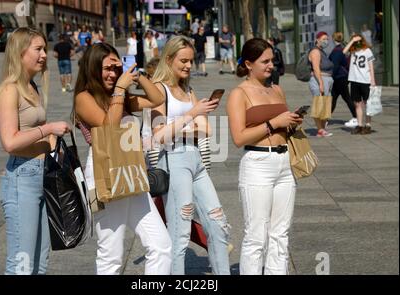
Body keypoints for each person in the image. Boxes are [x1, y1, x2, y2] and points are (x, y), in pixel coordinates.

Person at [72, 42, 171, 275]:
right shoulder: (84, 98)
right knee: (111, 255)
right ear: (93, 68)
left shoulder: (122, 97)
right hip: (103, 172)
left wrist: (139, 75)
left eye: (116, 68)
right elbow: (109, 126)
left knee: (161, 245)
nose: (113, 74)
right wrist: (119, 90)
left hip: (131, 170)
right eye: (107, 68)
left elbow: (156, 99)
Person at [151, 36, 230, 275]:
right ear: (168, 59)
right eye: (183, 60)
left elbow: (206, 129)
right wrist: (192, 114)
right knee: (180, 232)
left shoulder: (188, 89)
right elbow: (159, 136)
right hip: (174, 161)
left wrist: (180, 124)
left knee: (218, 225)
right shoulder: (158, 90)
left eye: (191, 61)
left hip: (196, 161)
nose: (188, 66)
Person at [0, 27, 71, 274]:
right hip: (22, 180)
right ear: (20, 51)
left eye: (44, 50)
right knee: (22, 263)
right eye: (38, 49)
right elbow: (10, 142)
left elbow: (36, 130)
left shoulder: (33, 87)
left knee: (40, 262)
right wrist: (48, 127)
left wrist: (53, 143)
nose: (44, 55)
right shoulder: (10, 90)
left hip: (42, 175)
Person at [227, 38, 303, 275]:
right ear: (249, 64)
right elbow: (239, 138)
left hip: (284, 162)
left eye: (273, 60)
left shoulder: (277, 89)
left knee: (280, 233)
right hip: (258, 164)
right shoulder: (239, 94)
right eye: (265, 61)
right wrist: (273, 123)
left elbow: (283, 124)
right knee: (256, 235)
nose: (271, 65)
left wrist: (291, 122)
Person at [343, 34, 377, 135]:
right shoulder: (352, 51)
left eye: (359, 41)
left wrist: (373, 81)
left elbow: (371, 67)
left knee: (367, 104)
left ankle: (368, 125)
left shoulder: (367, 51)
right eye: (355, 42)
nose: (357, 43)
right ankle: (360, 125)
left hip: (365, 81)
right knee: (357, 103)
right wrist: (352, 41)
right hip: (354, 80)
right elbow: (344, 52)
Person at [308, 31, 335, 137]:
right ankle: (320, 129)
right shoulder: (315, 51)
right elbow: (316, 68)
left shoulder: (321, 51)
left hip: (326, 79)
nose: (326, 41)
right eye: (323, 39)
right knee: (319, 104)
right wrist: (321, 83)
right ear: (317, 40)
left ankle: (322, 129)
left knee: (325, 105)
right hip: (319, 79)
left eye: (327, 39)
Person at [329, 32, 357, 127]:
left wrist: (331, 77)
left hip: (339, 78)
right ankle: (326, 118)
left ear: (333, 39)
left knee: (346, 98)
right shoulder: (341, 49)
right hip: (341, 77)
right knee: (334, 98)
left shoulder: (337, 51)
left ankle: (356, 117)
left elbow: (335, 66)